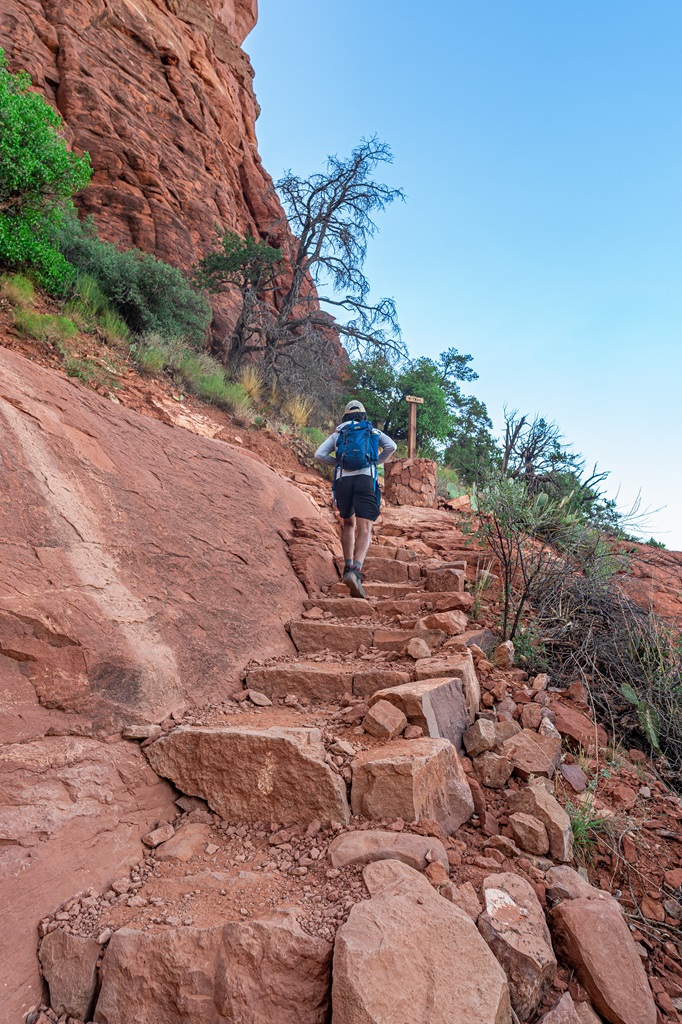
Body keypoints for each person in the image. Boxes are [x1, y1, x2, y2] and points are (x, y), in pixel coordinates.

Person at [315, 400, 396, 598]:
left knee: (348, 524)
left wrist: (337, 462)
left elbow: (319, 454)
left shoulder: (339, 433)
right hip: (365, 479)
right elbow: (391, 446)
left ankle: (347, 566)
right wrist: (375, 462)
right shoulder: (373, 431)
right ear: (363, 416)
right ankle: (356, 572)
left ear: (345, 416)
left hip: (343, 480)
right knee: (365, 528)